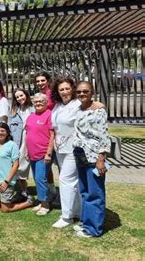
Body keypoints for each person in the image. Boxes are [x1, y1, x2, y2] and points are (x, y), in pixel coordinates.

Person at [72, 81, 111, 238]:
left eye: (85, 91)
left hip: (94, 156)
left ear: (92, 92)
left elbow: (104, 135)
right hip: (80, 153)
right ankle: (86, 222)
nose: (82, 94)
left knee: (95, 192)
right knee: (85, 190)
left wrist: (101, 158)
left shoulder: (98, 110)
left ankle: (94, 229)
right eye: (79, 92)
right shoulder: (79, 109)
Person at [51, 77, 82, 229]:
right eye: (61, 89)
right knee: (72, 181)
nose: (64, 92)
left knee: (65, 180)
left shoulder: (78, 105)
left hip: (73, 149)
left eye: (67, 88)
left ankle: (66, 216)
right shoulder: (57, 106)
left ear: (73, 89)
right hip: (60, 149)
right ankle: (76, 211)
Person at [0, 122, 34, 212]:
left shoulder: (12, 145)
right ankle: (18, 198)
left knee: (5, 209)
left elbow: (16, 164)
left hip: (6, 181)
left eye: (3, 131)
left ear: (7, 132)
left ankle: (29, 202)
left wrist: (6, 182)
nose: (0, 133)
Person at [25, 93, 55, 216]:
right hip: (32, 153)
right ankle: (42, 200)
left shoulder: (49, 115)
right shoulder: (31, 116)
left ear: (46, 102)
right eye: (36, 102)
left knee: (40, 178)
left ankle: (45, 204)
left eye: (41, 101)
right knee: (37, 179)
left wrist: (49, 153)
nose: (38, 104)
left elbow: (52, 135)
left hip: (44, 153)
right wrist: (27, 151)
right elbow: (28, 134)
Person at [9, 88, 34, 198]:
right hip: (18, 139)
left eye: (21, 95)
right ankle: (22, 189)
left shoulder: (33, 108)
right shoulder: (15, 110)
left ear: (26, 95)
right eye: (17, 97)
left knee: (28, 164)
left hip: (31, 138)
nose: (20, 98)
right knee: (18, 165)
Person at [35, 71, 57, 198]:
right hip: (43, 131)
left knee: (52, 162)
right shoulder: (39, 95)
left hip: (54, 131)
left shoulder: (53, 95)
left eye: (42, 80)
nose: (40, 83)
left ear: (48, 81)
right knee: (46, 166)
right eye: (38, 81)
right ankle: (51, 188)